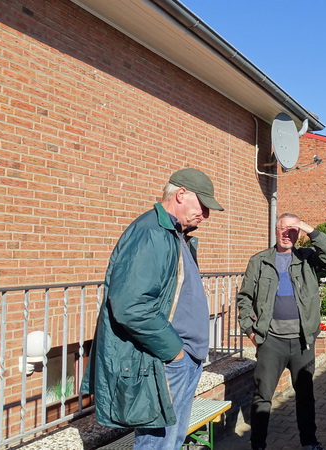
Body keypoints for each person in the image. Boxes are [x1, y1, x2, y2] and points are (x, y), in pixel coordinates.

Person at [80, 168, 224, 450]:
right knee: (159, 444)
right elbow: (130, 305)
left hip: (182, 360)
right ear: (181, 194)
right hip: (167, 361)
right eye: (203, 205)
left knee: (171, 441)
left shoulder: (173, 233)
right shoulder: (151, 233)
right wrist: (175, 352)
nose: (206, 215)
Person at [237, 213, 326, 450]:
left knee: (305, 396)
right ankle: (258, 444)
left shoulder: (307, 258)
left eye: (293, 230)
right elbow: (244, 298)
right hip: (271, 341)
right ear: (275, 230)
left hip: (302, 341)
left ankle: (309, 442)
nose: (287, 234)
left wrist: (308, 228)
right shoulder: (259, 261)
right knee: (263, 396)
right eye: (283, 228)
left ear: (299, 233)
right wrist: (250, 330)